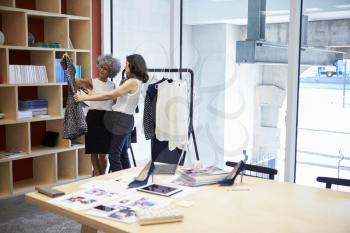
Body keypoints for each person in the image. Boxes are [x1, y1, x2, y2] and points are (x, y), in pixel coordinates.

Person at [74, 54, 149, 172]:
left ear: (132, 66)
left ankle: (117, 182)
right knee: (123, 154)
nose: (125, 67)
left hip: (121, 119)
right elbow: (113, 99)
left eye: (127, 64)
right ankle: (126, 179)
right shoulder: (134, 81)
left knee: (114, 155)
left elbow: (111, 95)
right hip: (123, 119)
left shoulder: (132, 82)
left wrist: (85, 98)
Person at [62, 53, 121, 176]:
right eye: (101, 67)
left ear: (111, 72)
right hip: (93, 118)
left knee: (104, 154)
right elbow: (74, 81)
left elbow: (116, 103)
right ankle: (98, 177)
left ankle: (100, 177)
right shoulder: (91, 82)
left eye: (105, 69)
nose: (102, 70)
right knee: (94, 151)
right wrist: (66, 66)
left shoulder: (113, 85)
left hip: (107, 119)